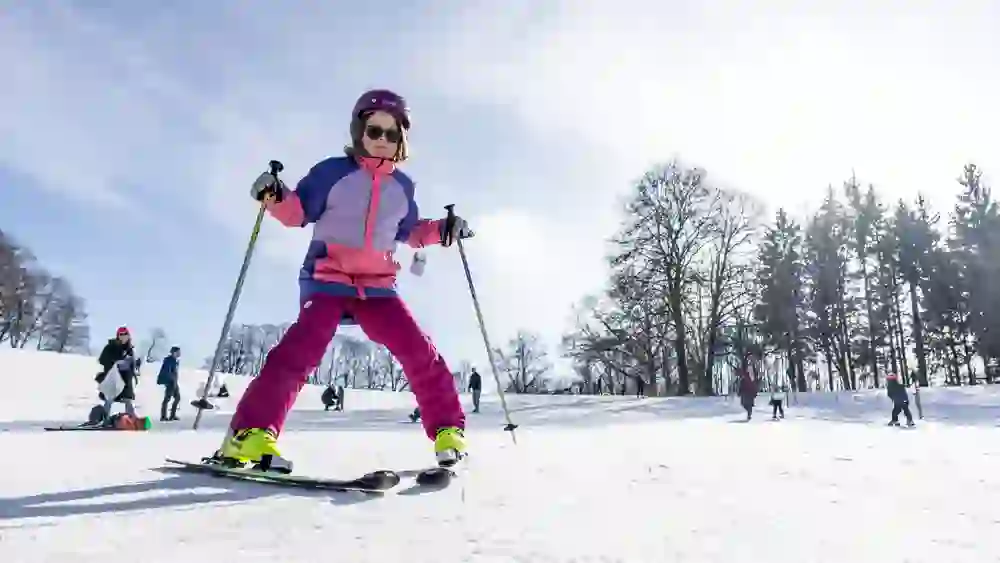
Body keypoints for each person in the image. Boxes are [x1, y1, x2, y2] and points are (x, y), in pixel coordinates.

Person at [207, 89, 472, 473]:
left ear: (401, 140)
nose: (381, 140)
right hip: (328, 276)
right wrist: (274, 195)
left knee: (418, 349)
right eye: (374, 130)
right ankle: (249, 434)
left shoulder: (403, 187)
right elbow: (298, 212)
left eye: (391, 134)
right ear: (358, 132)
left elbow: (411, 231)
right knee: (301, 349)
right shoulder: (332, 173)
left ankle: (448, 429)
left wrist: (443, 229)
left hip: (378, 285)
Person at [95, 327, 139, 422]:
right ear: (118, 336)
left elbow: (132, 365)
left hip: (126, 378)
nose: (123, 336)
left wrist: (134, 374)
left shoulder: (130, 349)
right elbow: (102, 360)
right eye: (121, 334)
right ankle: (104, 419)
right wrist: (114, 361)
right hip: (113, 377)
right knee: (109, 398)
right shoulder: (110, 347)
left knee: (127, 399)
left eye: (125, 334)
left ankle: (132, 419)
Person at [157, 346, 182, 422]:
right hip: (170, 382)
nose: (180, 353)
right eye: (178, 352)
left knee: (177, 398)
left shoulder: (174, 360)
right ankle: (163, 416)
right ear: (174, 352)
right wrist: (170, 381)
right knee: (167, 399)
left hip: (174, 382)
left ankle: (172, 415)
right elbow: (167, 372)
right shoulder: (169, 361)